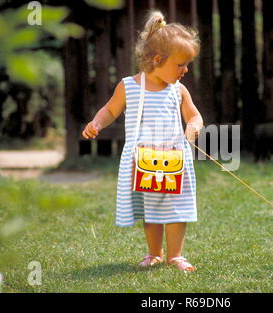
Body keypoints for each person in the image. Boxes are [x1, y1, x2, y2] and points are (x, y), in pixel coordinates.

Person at [82, 10, 203, 272]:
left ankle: (176, 255)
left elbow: (194, 116)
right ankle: (154, 253)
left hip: (175, 160)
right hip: (143, 161)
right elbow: (110, 110)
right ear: (158, 60)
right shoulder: (129, 86)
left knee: (177, 208)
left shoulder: (178, 90)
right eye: (181, 64)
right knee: (150, 209)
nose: (186, 70)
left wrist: (192, 128)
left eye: (187, 64)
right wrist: (96, 123)